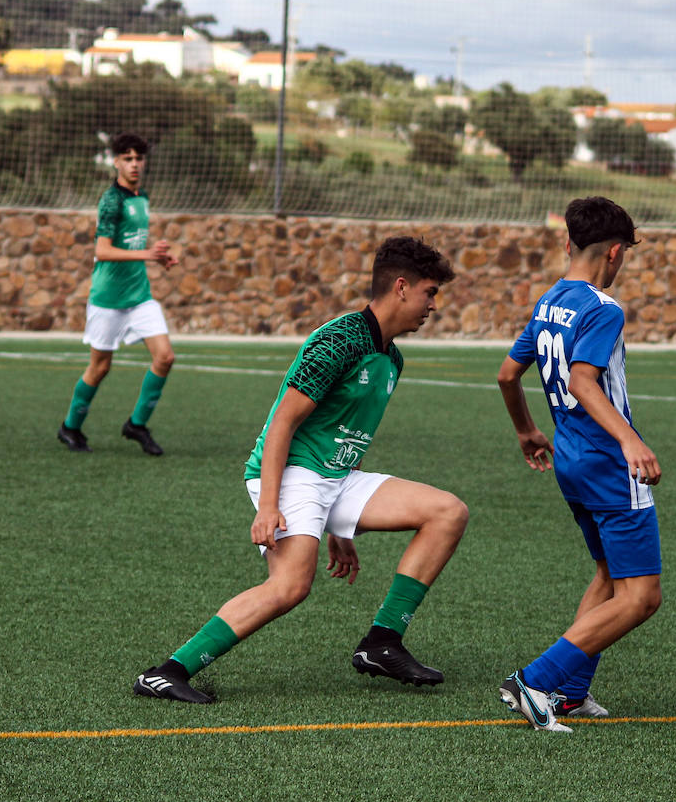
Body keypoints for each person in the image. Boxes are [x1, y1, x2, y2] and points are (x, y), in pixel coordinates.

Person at [134, 236, 467, 704]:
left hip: (333, 478)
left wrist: (340, 526)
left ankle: (382, 643)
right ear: (401, 287)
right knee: (290, 586)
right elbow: (282, 423)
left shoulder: (392, 357)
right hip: (290, 471)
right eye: (430, 292)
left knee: (447, 512)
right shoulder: (339, 339)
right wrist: (268, 506)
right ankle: (167, 672)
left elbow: (345, 433)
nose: (434, 304)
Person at [495, 196, 662, 733]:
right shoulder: (603, 308)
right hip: (609, 463)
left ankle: (569, 691)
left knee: (610, 574)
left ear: (569, 244)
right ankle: (534, 681)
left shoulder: (550, 301)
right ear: (614, 253)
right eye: (625, 256)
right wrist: (630, 441)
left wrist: (526, 430)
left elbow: (506, 374)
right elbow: (583, 381)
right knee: (641, 598)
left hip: (570, 461)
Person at [57, 132, 179, 456]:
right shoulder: (111, 200)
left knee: (165, 357)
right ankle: (70, 427)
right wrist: (149, 254)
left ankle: (136, 425)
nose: (134, 164)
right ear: (115, 162)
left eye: (139, 158)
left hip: (139, 295)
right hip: (109, 299)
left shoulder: (141, 197)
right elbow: (103, 250)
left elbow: (134, 245)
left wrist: (160, 257)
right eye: (127, 158)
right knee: (100, 367)